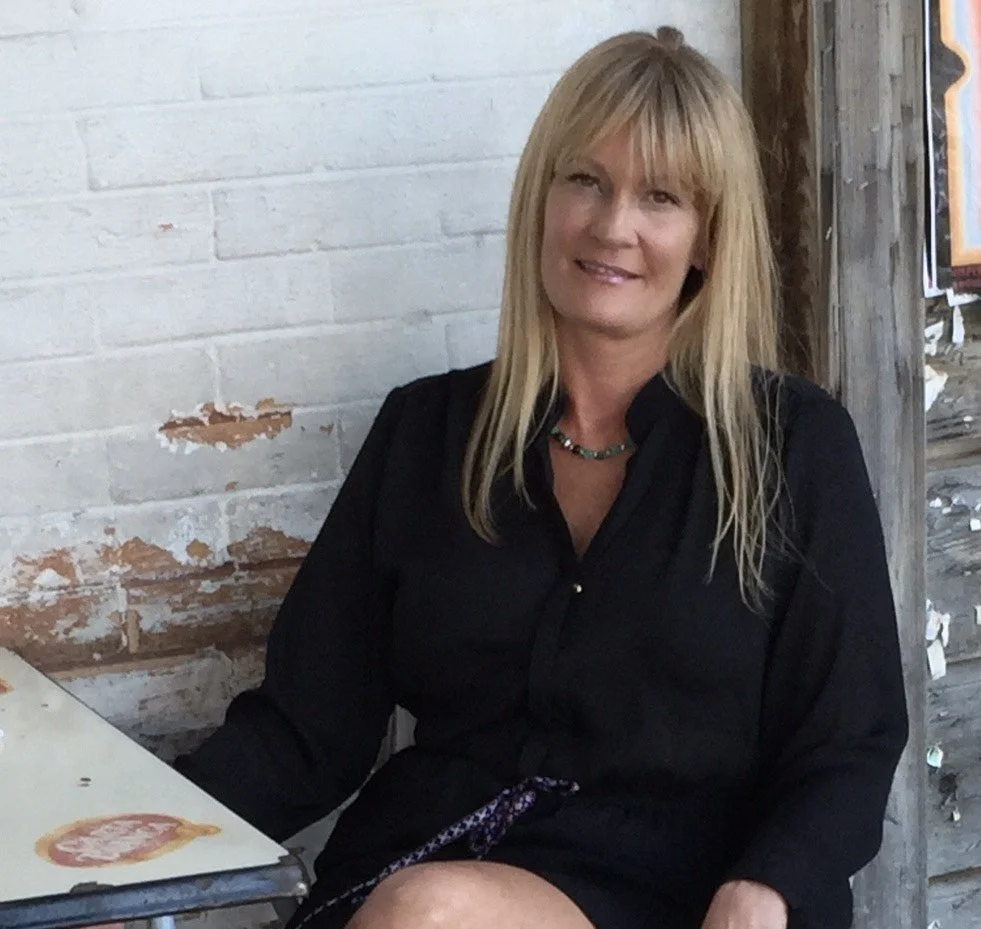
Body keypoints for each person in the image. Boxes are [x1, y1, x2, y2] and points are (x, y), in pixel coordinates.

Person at [174, 27, 908, 929]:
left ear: (707, 237)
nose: (612, 226)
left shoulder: (791, 446)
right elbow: (302, 731)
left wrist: (769, 884)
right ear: (542, 199)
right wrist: (136, 860)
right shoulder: (426, 434)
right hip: (415, 870)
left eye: (660, 197)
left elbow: (848, 739)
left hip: (683, 895)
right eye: (586, 180)